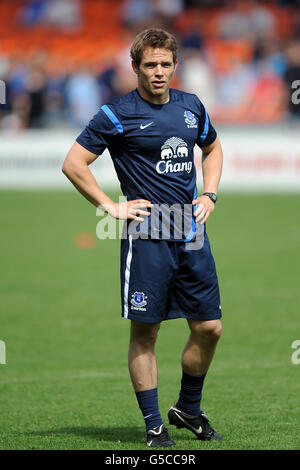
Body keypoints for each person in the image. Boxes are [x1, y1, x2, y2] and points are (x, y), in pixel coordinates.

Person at [62, 28, 224, 447]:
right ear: (135, 67)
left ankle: (188, 409)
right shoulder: (116, 114)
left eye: (165, 64)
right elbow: (74, 164)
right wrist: (111, 207)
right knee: (146, 333)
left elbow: (213, 148)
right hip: (147, 233)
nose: (158, 72)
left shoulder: (192, 107)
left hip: (190, 232)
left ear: (175, 66)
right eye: (149, 65)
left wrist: (209, 193)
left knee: (209, 327)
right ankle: (154, 426)